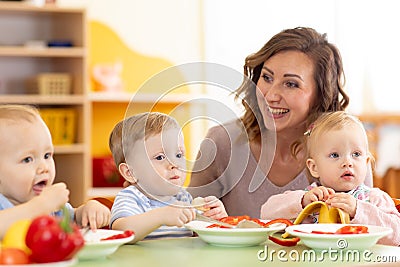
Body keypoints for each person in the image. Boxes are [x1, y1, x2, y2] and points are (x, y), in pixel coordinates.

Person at [188, 26, 372, 218]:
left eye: (291, 84)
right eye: (266, 78)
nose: (270, 95)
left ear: (320, 95)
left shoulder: (349, 155)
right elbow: (187, 224)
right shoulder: (221, 142)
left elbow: (365, 229)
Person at [261, 111, 400, 246]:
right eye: (335, 155)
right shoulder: (310, 197)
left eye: (356, 154)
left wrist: (358, 210)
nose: (348, 162)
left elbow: (397, 235)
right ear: (314, 167)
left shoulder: (374, 198)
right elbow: (266, 213)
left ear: (366, 162)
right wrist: (302, 201)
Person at [109, 112, 227, 243]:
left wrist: (216, 218)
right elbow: (121, 232)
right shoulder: (132, 197)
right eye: (160, 157)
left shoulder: (183, 198)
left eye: (178, 155)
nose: (174, 164)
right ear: (130, 172)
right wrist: (161, 216)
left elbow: (201, 236)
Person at [0, 104, 110, 239]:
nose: (44, 167)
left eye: (47, 155)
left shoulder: (51, 206)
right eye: (27, 159)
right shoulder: (42, 203)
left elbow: (71, 219)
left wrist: (85, 212)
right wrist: (41, 205)